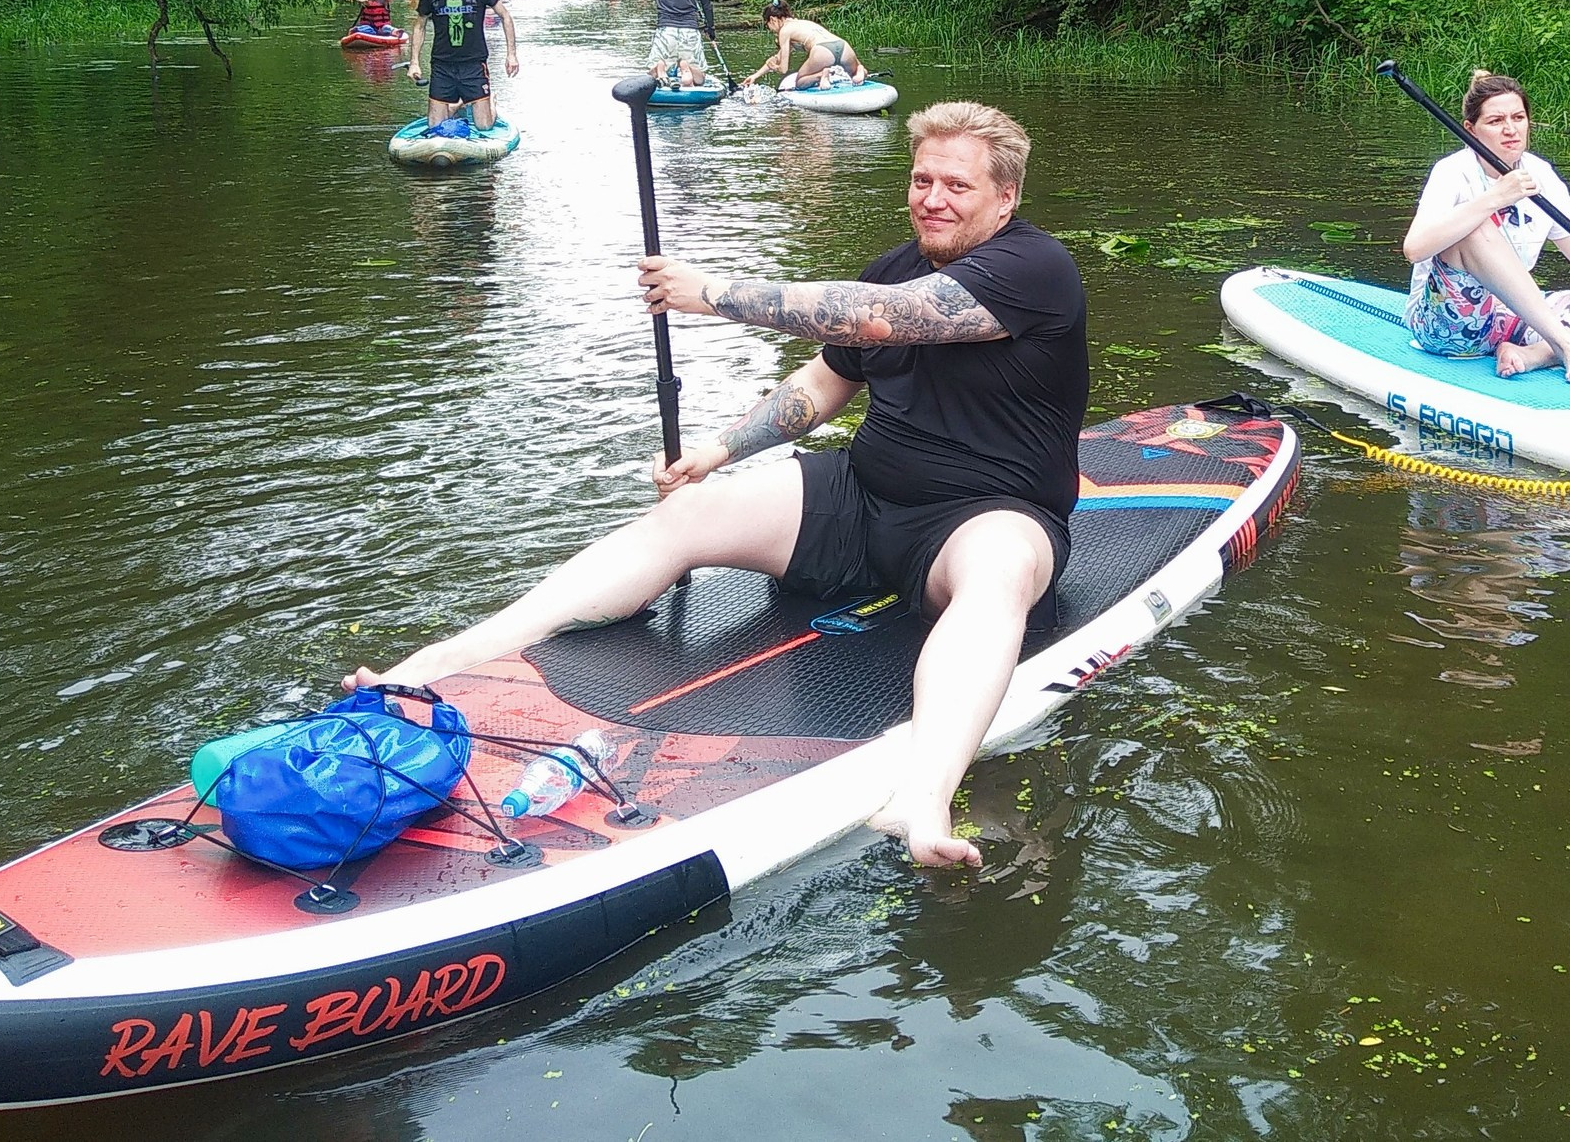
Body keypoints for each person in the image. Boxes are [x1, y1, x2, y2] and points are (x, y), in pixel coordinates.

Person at [343, 101, 1086, 868]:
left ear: (1005, 198)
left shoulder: (1036, 269)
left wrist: (711, 291)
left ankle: (923, 798)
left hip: (988, 517)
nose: (931, 197)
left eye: (956, 185)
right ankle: (448, 659)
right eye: (921, 178)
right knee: (691, 513)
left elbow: (880, 321)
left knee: (997, 574)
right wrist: (720, 450)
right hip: (863, 498)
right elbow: (828, 378)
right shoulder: (894, 263)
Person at [1398, 69, 1570, 384]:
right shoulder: (1451, 171)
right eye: (1495, 121)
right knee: (1474, 228)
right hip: (1450, 324)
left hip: (1519, 316)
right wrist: (1493, 198)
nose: (1510, 130)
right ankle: (1564, 343)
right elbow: (1415, 248)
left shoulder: (1541, 174)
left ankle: (1538, 354)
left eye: (1518, 118)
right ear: (1471, 129)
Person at [406, 0, 517, 129]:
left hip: (473, 64)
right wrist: (414, 62)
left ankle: (490, 103)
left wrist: (511, 55)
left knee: (483, 126)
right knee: (435, 128)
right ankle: (458, 104)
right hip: (442, 65)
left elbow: (505, 16)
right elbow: (419, 25)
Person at [747, 0, 864, 89]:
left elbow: (783, 69)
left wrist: (775, 67)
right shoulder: (802, 23)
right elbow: (778, 57)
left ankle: (822, 75)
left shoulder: (784, 31)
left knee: (800, 82)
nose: (771, 29)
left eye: (768, 25)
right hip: (843, 45)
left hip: (822, 51)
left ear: (772, 19)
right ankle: (860, 71)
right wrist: (755, 76)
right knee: (855, 75)